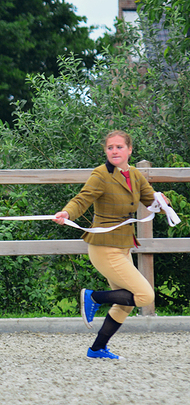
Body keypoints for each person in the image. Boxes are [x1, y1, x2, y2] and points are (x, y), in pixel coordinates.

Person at [53, 130, 165, 360]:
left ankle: (97, 349)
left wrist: (162, 201)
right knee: (145, 296)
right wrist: (67, 213)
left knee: (125, 303)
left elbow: (149, 198)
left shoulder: (134, 174)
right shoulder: (101, 175)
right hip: (104, 247)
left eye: (119, 147)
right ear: (106, 151)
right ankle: (94, 297)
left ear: (129, 150)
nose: (114, 151)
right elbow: (82, 199)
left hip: (124, 246)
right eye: (110, 147)